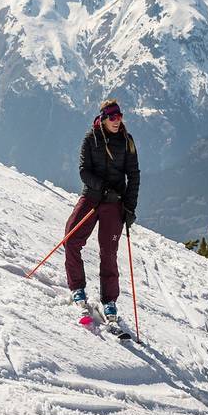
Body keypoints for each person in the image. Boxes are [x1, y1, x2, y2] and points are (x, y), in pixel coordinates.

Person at [65, 98, 140, 320]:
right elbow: (83, 171)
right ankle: (77, 288)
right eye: (113, 117)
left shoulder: (127, 141)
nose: (117, 121)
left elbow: (133, 175)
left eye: (120, 116)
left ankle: (109, 302)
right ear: (103, 118)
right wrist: (102, 187)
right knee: (71, 238)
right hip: (91, 198)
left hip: (114, 203)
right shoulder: (91, 139)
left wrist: (129, 207)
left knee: (109, 253)